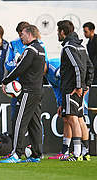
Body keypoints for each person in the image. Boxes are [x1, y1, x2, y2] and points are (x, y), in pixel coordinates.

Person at [0, 25, 45, 163]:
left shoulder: (30, 50)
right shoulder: (41, 49)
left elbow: (19, 68)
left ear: (30, 34)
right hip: (37, 90)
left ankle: (16, 154)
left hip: (28, 91)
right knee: (34, 123)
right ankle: (36, 154)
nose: (21, 37)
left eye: (23, 34)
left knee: (20, 122)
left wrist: (6, 81)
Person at [57, 20, 92, 161]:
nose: (57, 35)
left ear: (62, 32)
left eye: (58, 32)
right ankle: (85, 153)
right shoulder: (81, 46)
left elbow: (77, 67)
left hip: (71, 89)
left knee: (73, 119)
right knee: (80, 119)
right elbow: (90, 67)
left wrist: (78, 86)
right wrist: (86, 85)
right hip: (79, 88)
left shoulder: (68, 47)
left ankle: (76, 154)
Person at [45, 57, 93, 161]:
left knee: (77, 118)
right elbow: (57, 89)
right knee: (67, 119)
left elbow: (66, 80)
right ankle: (67, 151)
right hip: (71, 90)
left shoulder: (53, 66)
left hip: (75, 89)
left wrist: (81, 89)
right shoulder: (46, 74)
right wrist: (60, 104)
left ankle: (81, 152)